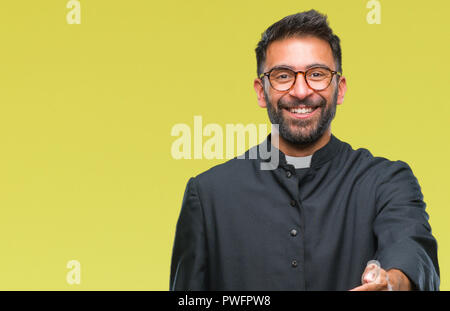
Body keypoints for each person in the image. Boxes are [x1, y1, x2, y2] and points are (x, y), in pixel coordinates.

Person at [169, 10, 440, 291]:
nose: (300, 90)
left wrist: (392, 283)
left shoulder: (386, 182)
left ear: (340, 88)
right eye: (283, 75)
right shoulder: (209, 194)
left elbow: (413, 253)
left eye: (317, 74)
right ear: (261, 91)